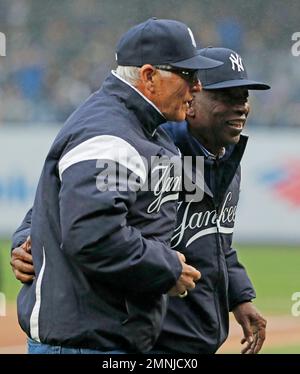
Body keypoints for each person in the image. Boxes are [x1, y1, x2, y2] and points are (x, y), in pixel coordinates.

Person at [10, 18, 225, 354]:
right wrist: (167, 268)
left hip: (103, 338)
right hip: (86, 343)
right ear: (149, 76)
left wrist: (27, 239)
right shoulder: (110, 133)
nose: (197, 86)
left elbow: (55, 203)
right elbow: (94, 235)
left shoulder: (137, 127)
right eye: (187, 74)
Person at [151, 47, 270, 354]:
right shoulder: (155, 155)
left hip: (197, 340)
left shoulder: (226, 159)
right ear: (190, 102)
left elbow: (215, 241)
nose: (241, 106)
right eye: (227, 96)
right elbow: (82, 210)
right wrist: (25, 240)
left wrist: (239, 297)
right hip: (154, 340)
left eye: (244, 95)